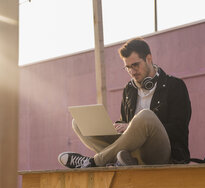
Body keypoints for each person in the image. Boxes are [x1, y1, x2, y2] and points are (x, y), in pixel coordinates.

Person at [58, 38, 191, 168]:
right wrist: (117, 127)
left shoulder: (175, 86)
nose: (132, 72)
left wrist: (132, 126)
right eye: (128, 67)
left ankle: (95, 162)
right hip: (130, 153)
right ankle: (119, 159)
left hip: (162, 155)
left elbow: (178, 129)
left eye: (135, 65)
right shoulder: (129, 89)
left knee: (146, 117)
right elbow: (125, 122)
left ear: (149, 59)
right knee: (79, 122)